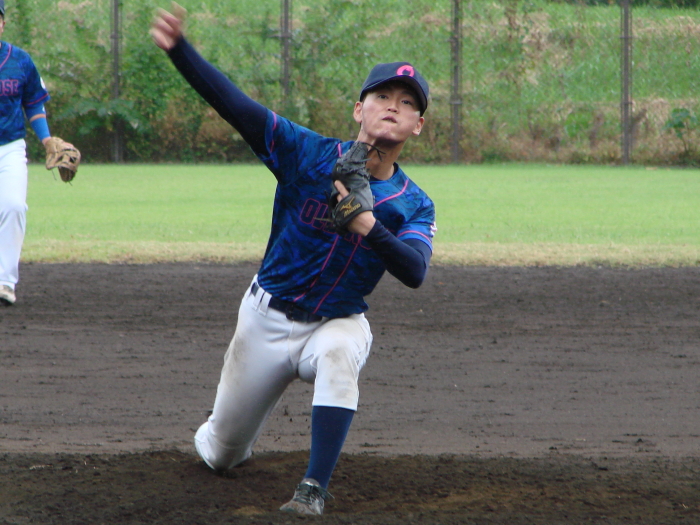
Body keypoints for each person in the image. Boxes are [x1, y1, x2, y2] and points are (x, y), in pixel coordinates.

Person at [151, 5, 436, 516]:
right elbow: (235, 106)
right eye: (382, 97)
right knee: (220, 454)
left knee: (339, 354)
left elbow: (415, 271)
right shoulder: (307, 153)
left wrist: (367, 225)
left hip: (338, 321)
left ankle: (313, 488)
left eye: (407, 102)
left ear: (418, 125)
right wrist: (180, 51)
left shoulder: (414, 204)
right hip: (265, 318)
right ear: (359, 109)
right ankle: (222, 437)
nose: (393, 106)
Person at [0, 0, 63, 306]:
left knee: (14, 207)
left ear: (2, 23)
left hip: (10, 147)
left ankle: (5, 282)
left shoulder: (20, 60)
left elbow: (33, 103)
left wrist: (47, 140)